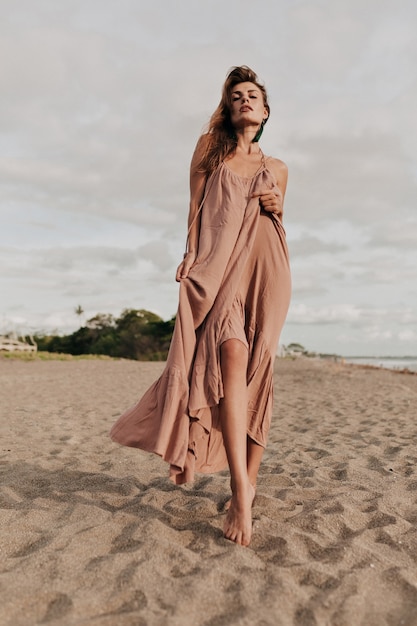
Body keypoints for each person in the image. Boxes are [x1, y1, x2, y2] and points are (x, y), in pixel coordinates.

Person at [110, 66, 291, 547]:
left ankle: (246, 487)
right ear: (229, 110)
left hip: (267, 269)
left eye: (253, 95)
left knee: (258, 369)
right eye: (236, 96)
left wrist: (276, 202)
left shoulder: (280, 167)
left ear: (266, 111)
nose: (245, 100)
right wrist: (189, 255)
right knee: (230, 354)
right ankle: (238, 488)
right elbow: (193, 210)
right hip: (219, 267)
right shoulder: (210, 150)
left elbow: (274, 218)